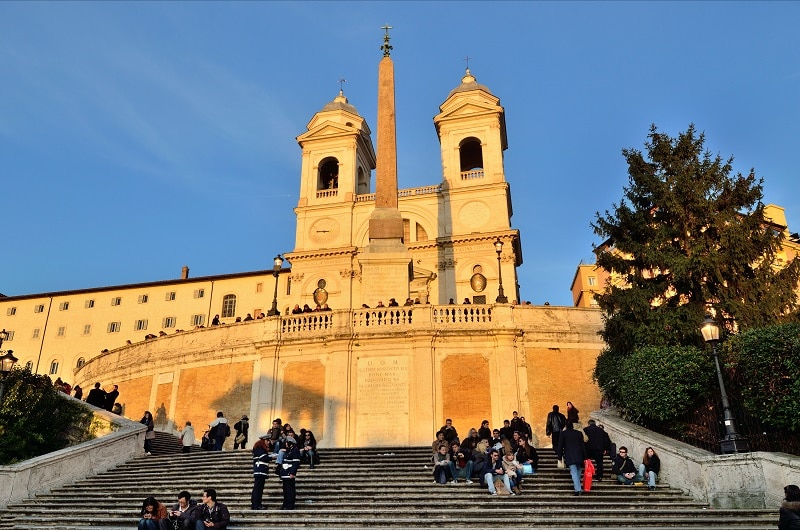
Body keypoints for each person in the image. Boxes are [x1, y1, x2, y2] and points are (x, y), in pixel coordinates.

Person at [556, 422, 587, 496]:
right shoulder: (579, 433)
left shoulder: (563, 433)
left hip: (570, 455)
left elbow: (560, 446)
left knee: (573, 472)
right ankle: (578, 487)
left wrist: (559, 457)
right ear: (572, 426)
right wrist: (586, 457)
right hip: (579, 455)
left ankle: (578, 490)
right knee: (578, 471)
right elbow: (583, 445)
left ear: (566, 426)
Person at [278, 435, 301, 510]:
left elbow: (296, 463)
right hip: (285, 473)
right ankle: (285, 504)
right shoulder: (288, 451)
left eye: (286, 442)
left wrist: (292, 473)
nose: (285, 444)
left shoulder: (295, 450)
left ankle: (290, 505)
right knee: (285, 490)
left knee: (290, 490)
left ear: (290, 443)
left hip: (289, 474)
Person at [251, 437, 271, 510]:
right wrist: (272, 456)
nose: (268, 442)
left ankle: (256, 504)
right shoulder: (259, 448)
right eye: (267, 440)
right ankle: (256, 505)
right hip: (260, 471)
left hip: (261, 471)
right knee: (258, 488)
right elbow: (264, 457)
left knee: (258, 488)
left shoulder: (259, 448)